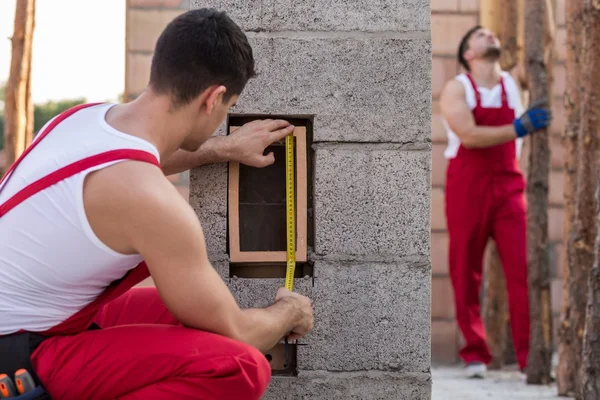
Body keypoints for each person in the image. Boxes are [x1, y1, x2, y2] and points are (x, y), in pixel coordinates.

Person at [0, 8, 314, 400]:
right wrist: (290, 311)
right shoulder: (154, 205)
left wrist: (222, 149)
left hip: (36, 317)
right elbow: (239, 332)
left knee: (186, 314)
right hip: (15, 356)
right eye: (228, 107)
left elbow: (137, 162)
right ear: (214, 98)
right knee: (237, 364)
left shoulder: (80, 120)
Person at [439, 25, 552, 379]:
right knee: (465, 270)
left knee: (523, 268)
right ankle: (475, 353)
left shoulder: (510, 85)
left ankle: (526, 355)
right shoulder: (457, 89)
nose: (489, 34)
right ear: (467, 54)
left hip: (508, 188)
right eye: (479, 35)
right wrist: (519, 128)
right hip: (467, 189)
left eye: (490, 33)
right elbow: (469, 135)